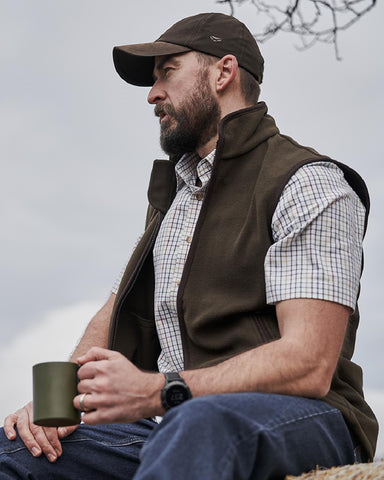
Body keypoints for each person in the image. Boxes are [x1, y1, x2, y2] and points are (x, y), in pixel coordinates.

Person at [0, 12, 378, 480]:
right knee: (15, 451)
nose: (153, 93)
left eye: (168, 72)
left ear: (223, 73)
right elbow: (118, 306)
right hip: (177, 421)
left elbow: (309, 363)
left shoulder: (307, 183)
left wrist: (161, 390)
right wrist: (57, 405)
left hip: (304, 418)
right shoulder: (176, 199)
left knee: (199, 425)